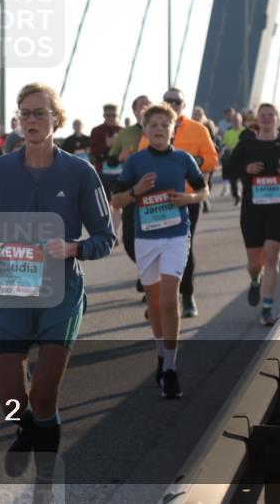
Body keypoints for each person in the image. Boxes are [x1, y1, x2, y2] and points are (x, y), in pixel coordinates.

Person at [0, 82, 114, 496]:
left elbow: (105, 237)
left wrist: (74, 247)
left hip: (61, 293)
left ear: (57, 120)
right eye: (24, 114)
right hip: (12, 288)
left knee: (46, 394)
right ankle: (25, 428)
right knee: (14, 401)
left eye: (39, 113)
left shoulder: (80, 172)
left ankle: (45, 483)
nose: (31, 121)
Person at [112, 103, 208, 398]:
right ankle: (160, 354)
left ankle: (170, 367)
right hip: (146, 239)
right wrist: (136, 191)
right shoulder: (136, 162)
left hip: (176, 236)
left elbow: (204, 190)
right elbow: (117, 200)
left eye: (164, 125)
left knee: (169, 300)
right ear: (145, 130)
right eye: (153, 125)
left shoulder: (183, 159)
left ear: (173, 129)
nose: (158, 129)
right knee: (154, 304)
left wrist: (189, 197)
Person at [137, 88, 218, 317]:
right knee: (156, 246)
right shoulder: (153, 129)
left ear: (184, 104)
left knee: (183, 247)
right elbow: (141, 157)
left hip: (187, 198)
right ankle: (159, 297)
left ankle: (187, 295)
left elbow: (213, 159)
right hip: (155, 199)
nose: (173, 104)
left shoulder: (198, 129)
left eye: (178, 101)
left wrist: (193, 162)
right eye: (168, 100)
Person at [228, 103, 280, 326]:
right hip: (252, 210)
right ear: (257, 120)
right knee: (255, 263)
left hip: (278, 209)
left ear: (278, 119)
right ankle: (254, 281)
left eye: (271, 115)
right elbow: (229, 171)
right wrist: (246, 170)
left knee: (272, 257)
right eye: (263, 115)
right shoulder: (246, 145)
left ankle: (268, 308)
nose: (267, 118)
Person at [107, 95, 153, 294]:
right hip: (131, 191)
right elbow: (111, 160)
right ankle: (148, 269)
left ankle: (152, 280)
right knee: (129, 241)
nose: (145, 109)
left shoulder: (160, 129)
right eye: (141, 106)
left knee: (153, 237)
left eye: (148, 105)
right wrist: (119, 157)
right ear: (134, 111)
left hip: (155, 191)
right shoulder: (126, 133)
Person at [90, 104, 124, 239]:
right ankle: (107, 231)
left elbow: (130, 150)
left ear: (117, 115)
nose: (111, 118)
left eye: (113, 115)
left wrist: (117, 147)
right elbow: (93, 151)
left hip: (120, 173)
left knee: (117, 203)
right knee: (104, 204)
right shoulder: (97, 131)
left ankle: (114, 234)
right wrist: (107, 145)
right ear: (103, 115)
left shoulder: (123, 131)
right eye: (108, 115)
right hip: (102, 173)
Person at [221, 112, 246, 205]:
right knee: (233, 180)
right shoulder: (228, 133)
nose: (235, 122)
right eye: (234, 120)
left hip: (243, 159)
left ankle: (246, 195)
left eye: (237, 120)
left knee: (245, 179)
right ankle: (237, 196)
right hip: (232, 159)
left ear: (241, 121)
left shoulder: (245, 132)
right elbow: (224, 144)